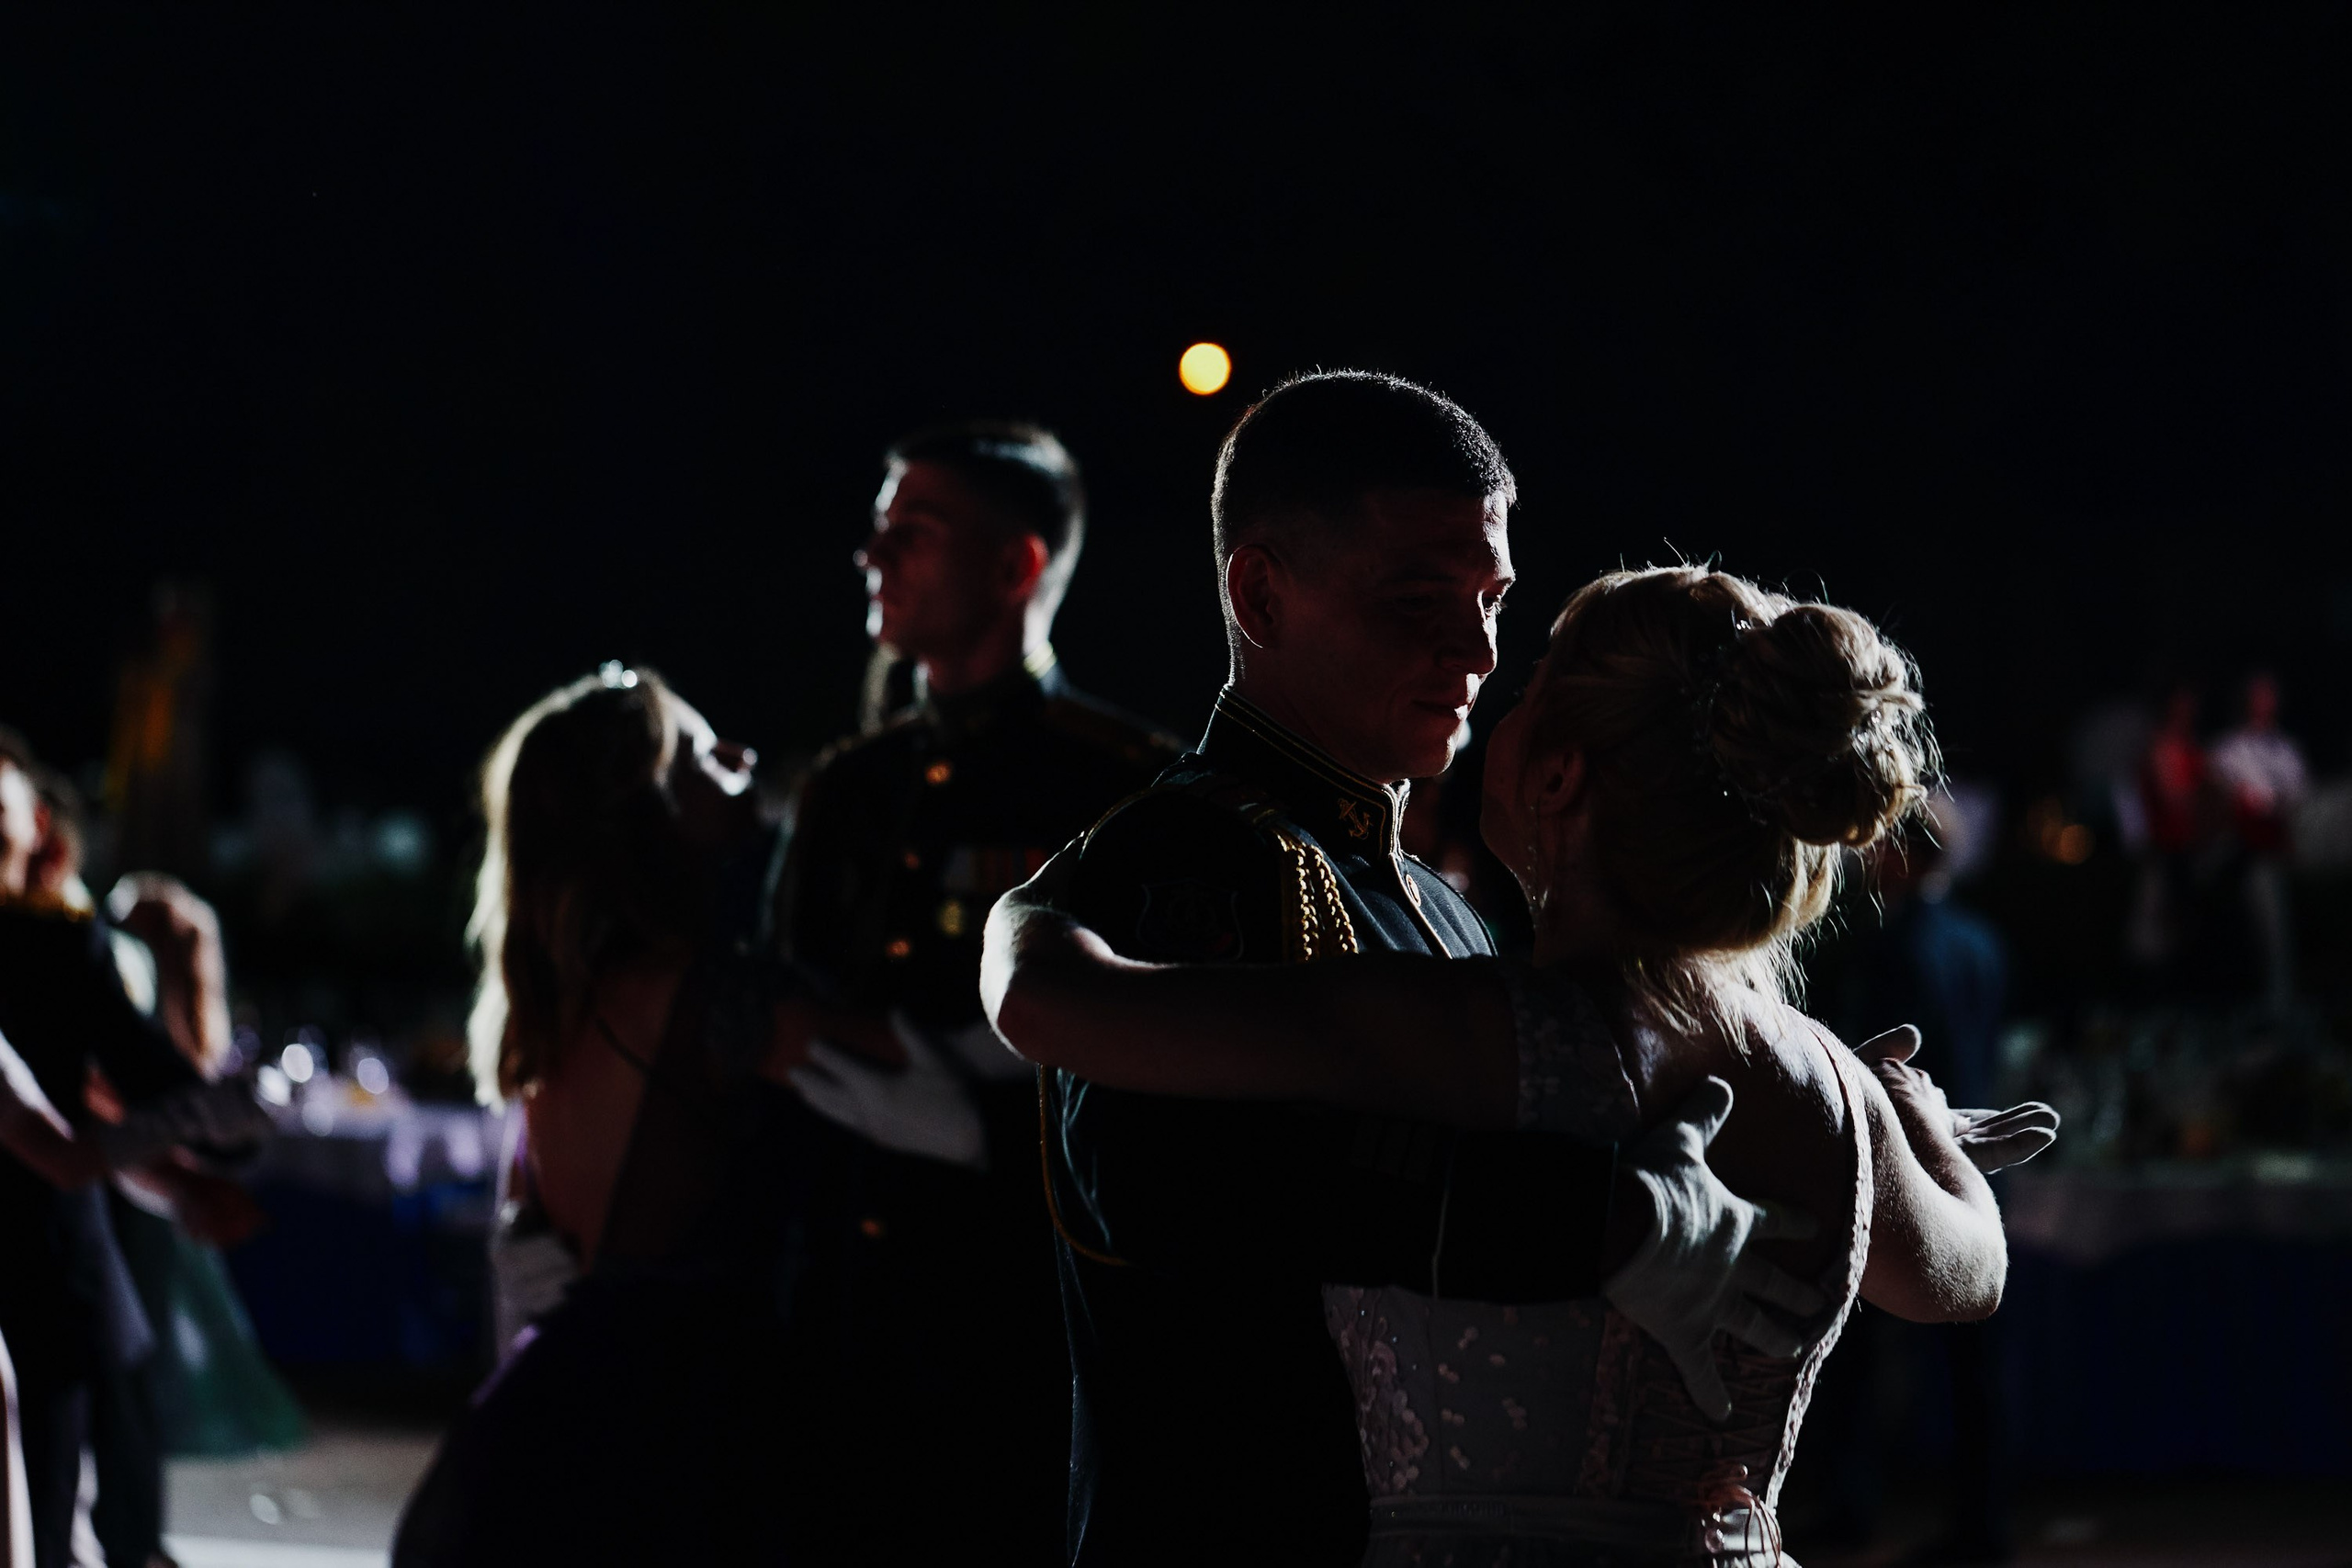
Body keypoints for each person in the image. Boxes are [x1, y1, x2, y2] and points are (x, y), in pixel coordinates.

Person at [988, 563, 2061, 1566]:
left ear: (1556, 776)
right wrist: (1913, 1128)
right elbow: (1970, 1276)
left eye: (1536, 680)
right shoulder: (1826, 1081)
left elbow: (1048, 1006)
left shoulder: (1459, 1028)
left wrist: (1031, 903)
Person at [975, 373, 1850, 1566]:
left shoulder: (1445, 901)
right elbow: (1167, 1176)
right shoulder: (1176, 857)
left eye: (1492, 599)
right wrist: (1593, 1219)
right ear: (1260, 594)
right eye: (1416, 597)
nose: (1477, 648)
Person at [766, 422, 1180, 1561]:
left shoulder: (1123, 790)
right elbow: (783, 1018)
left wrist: (976, 1122)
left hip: (1017, 1325)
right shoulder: (851, 788)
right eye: (878, 529)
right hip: (842, 1310)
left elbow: (1150, 1081)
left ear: (1015, 565)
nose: (874, 556)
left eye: (916, 531)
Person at [394, 666, 843, 1565]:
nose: (742, 757)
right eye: (705, 755)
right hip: (674, 1431)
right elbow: (918, 1072)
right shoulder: (698, 997)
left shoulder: (561, 1003)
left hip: (561, 1412)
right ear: (654, 809)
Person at [0, 731, 269, 1568]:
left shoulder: (60, 943)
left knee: (53, 1511)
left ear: (39, 825)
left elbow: (74, 1125)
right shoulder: (57, 946)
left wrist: (187, 1166)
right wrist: (217, 1123)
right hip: (50, 1273)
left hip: (49, 1276)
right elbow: (72, 1142)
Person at [2209, 671, 2309, 1010]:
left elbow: (2299, 798)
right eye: (2260, 694)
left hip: (2288, 850)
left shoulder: (2288, 749)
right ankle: (2269, 1001)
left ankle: (2284, 1000)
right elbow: (2230, 800)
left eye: (2271, 694)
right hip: (2244, 855)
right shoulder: (2229, 749)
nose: (2267, 701)